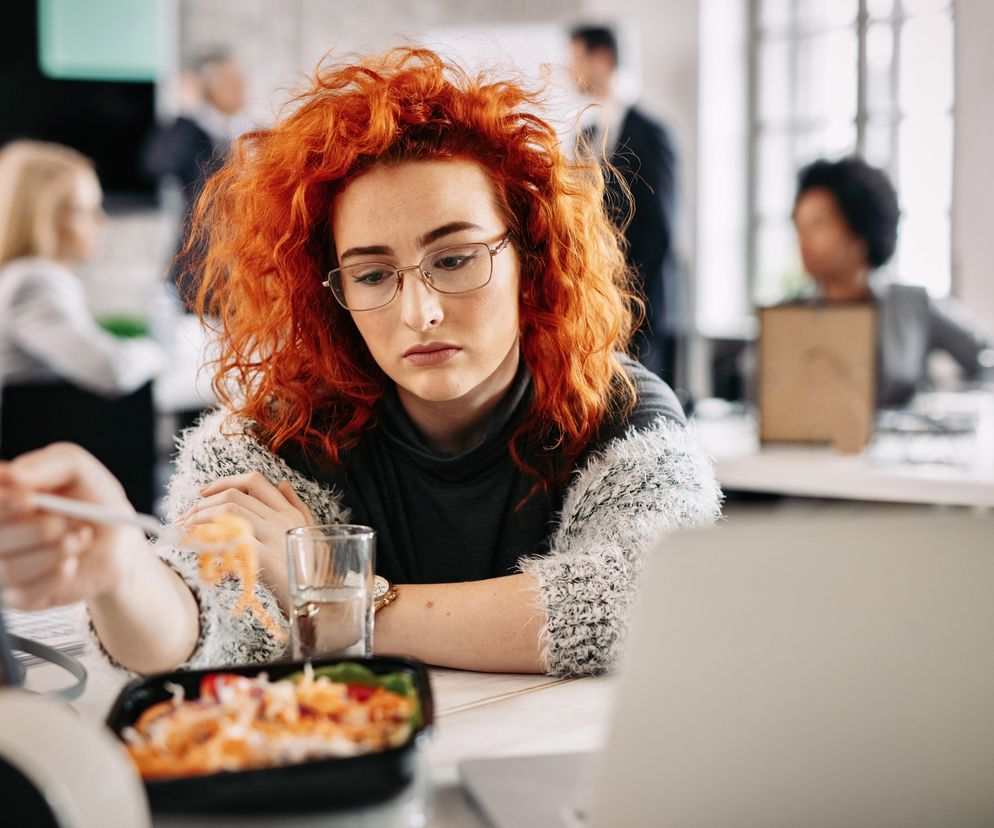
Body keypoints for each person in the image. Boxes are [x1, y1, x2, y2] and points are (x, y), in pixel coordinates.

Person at [0, 49, 721, 679]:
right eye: (373, 275)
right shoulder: (277, 433)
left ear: (530, 260)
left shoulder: (615, 407)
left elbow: (650, 598)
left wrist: (332, 591)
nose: (420, 312)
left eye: (456, 258)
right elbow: (193, 626)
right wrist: (120, 569)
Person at [0, 140, 166, 513]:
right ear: (44, 217)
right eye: (85, 210)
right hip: (34, 477)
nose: (102, 223)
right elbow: (109, 370)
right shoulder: (33, 282)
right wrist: (157, 351)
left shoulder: (27, 278)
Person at [792, 156, 993, 408]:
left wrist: (949, 403)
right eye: (799, 228)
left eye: (818, 225)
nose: (804, 242)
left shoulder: (913, 305)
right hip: (806, 447)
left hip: (903, 444)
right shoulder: (788, 315)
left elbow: (986, 357)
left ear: (859, 229)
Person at [569, 25, 679, 385]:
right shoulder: (586, 135)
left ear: (601, 60)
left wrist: (627, 294)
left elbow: (661, 226)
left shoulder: (652, 133)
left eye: (576, 59)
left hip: (641, 304)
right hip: (594, 306)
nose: (569, 70)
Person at [144, 50, 247, 309]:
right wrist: (187, 108)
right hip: (201, 273)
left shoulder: (247, 133)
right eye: (230, 80)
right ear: (205, 88)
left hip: (244, 272)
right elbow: (160, 163)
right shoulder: (191, 134)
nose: (241, 86)